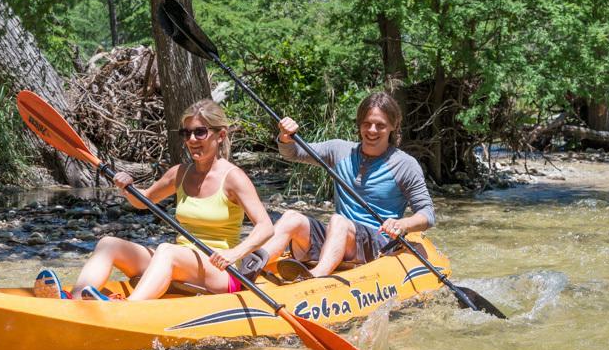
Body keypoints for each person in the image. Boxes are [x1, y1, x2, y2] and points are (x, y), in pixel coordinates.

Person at [35, 99, 273, 301]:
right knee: (109, 243)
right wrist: (127, 187)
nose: (191, 139)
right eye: (186, 133)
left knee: (167, 251)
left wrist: (234, 254)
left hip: (221, 272)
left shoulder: (234, 178)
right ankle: (75, 299)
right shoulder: (180, 173)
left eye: (200, 132)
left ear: (220, 136)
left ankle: (130, 308)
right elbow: (143, 200)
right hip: (181, 260)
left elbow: (265, 226)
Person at [260, 91, 435, 278]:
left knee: (338, 221)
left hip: (378, 245)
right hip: (337, 237)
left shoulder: (405, 165)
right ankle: (250, 267)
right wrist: (285, 137)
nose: (372, 130)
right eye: (367, 123)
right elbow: (293, 153)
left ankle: (316, 278)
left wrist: (403, 224)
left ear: (393, 126)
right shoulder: (339, 150)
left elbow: (427, 214)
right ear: (359, 123)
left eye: (380, 125)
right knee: (291, 217)